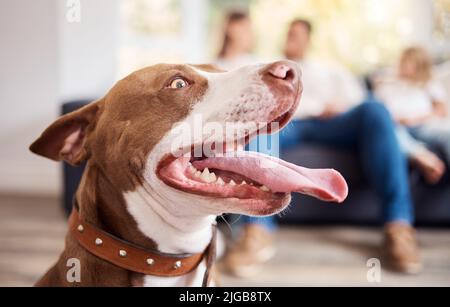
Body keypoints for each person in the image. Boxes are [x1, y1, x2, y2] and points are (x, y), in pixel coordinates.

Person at [222, 19, 422, 277]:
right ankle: (256, 232)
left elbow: (367, 109)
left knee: (375, 109)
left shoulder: (332, 71)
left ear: (309, 39)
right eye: (289, 34)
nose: (292, 38)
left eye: (298, 34)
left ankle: (399, 227)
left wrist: (415, 149)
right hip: (289, 123)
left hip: (334, 123)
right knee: (265, 122)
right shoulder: (271, 67)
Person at [376, 47, 449, 184]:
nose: (405, 64)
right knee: (389, 131)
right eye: (403, 60)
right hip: (397, 126)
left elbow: (441, 111)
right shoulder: (387, 85)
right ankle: (421, 156)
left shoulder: (428, 83)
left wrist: (416, 119)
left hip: (423, 125)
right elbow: (377, 113)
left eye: (410, 61)